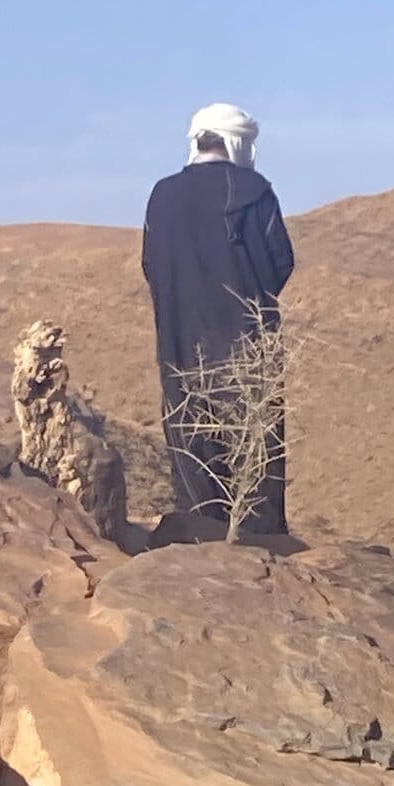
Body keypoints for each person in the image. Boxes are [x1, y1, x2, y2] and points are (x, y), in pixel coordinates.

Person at [141, 103, 295, 534]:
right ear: (238, 142)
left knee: (190, 431)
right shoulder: (255, 191)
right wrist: (247, 294)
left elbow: (151, 264)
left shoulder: (162, 194)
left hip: (178, 336)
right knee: (255, 440)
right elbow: (280, 261)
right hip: (247, 336)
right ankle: (259, 539)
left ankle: (201, 534)